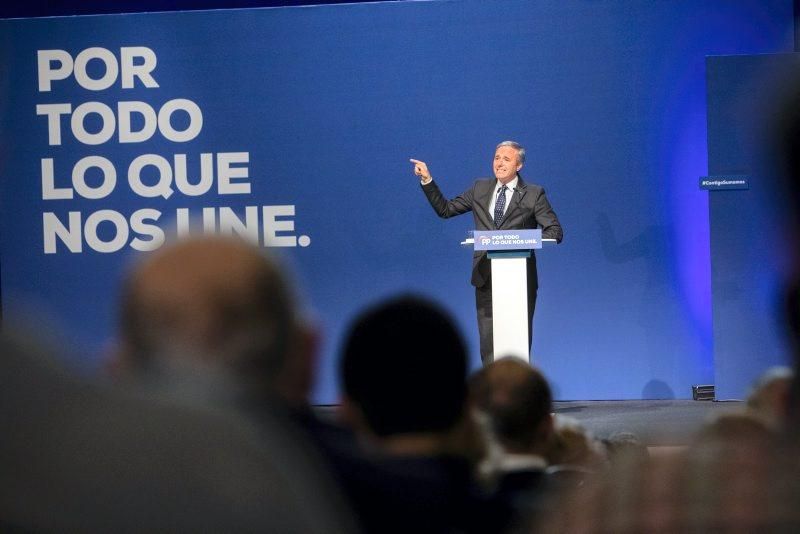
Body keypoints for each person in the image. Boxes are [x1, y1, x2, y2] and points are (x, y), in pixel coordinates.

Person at [410, 141, 563, 364]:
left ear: (518, 165)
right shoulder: (479, 188)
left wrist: (525, 239)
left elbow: (555, 231)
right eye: (496, 158)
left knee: (517, 339)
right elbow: (446, 209)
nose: (499, 163)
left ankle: (518, 394)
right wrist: (427, 179)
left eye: (506, 159)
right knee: (489, 343)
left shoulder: (533, 194)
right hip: (486, 276)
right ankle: (491, 394)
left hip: (520, 279)